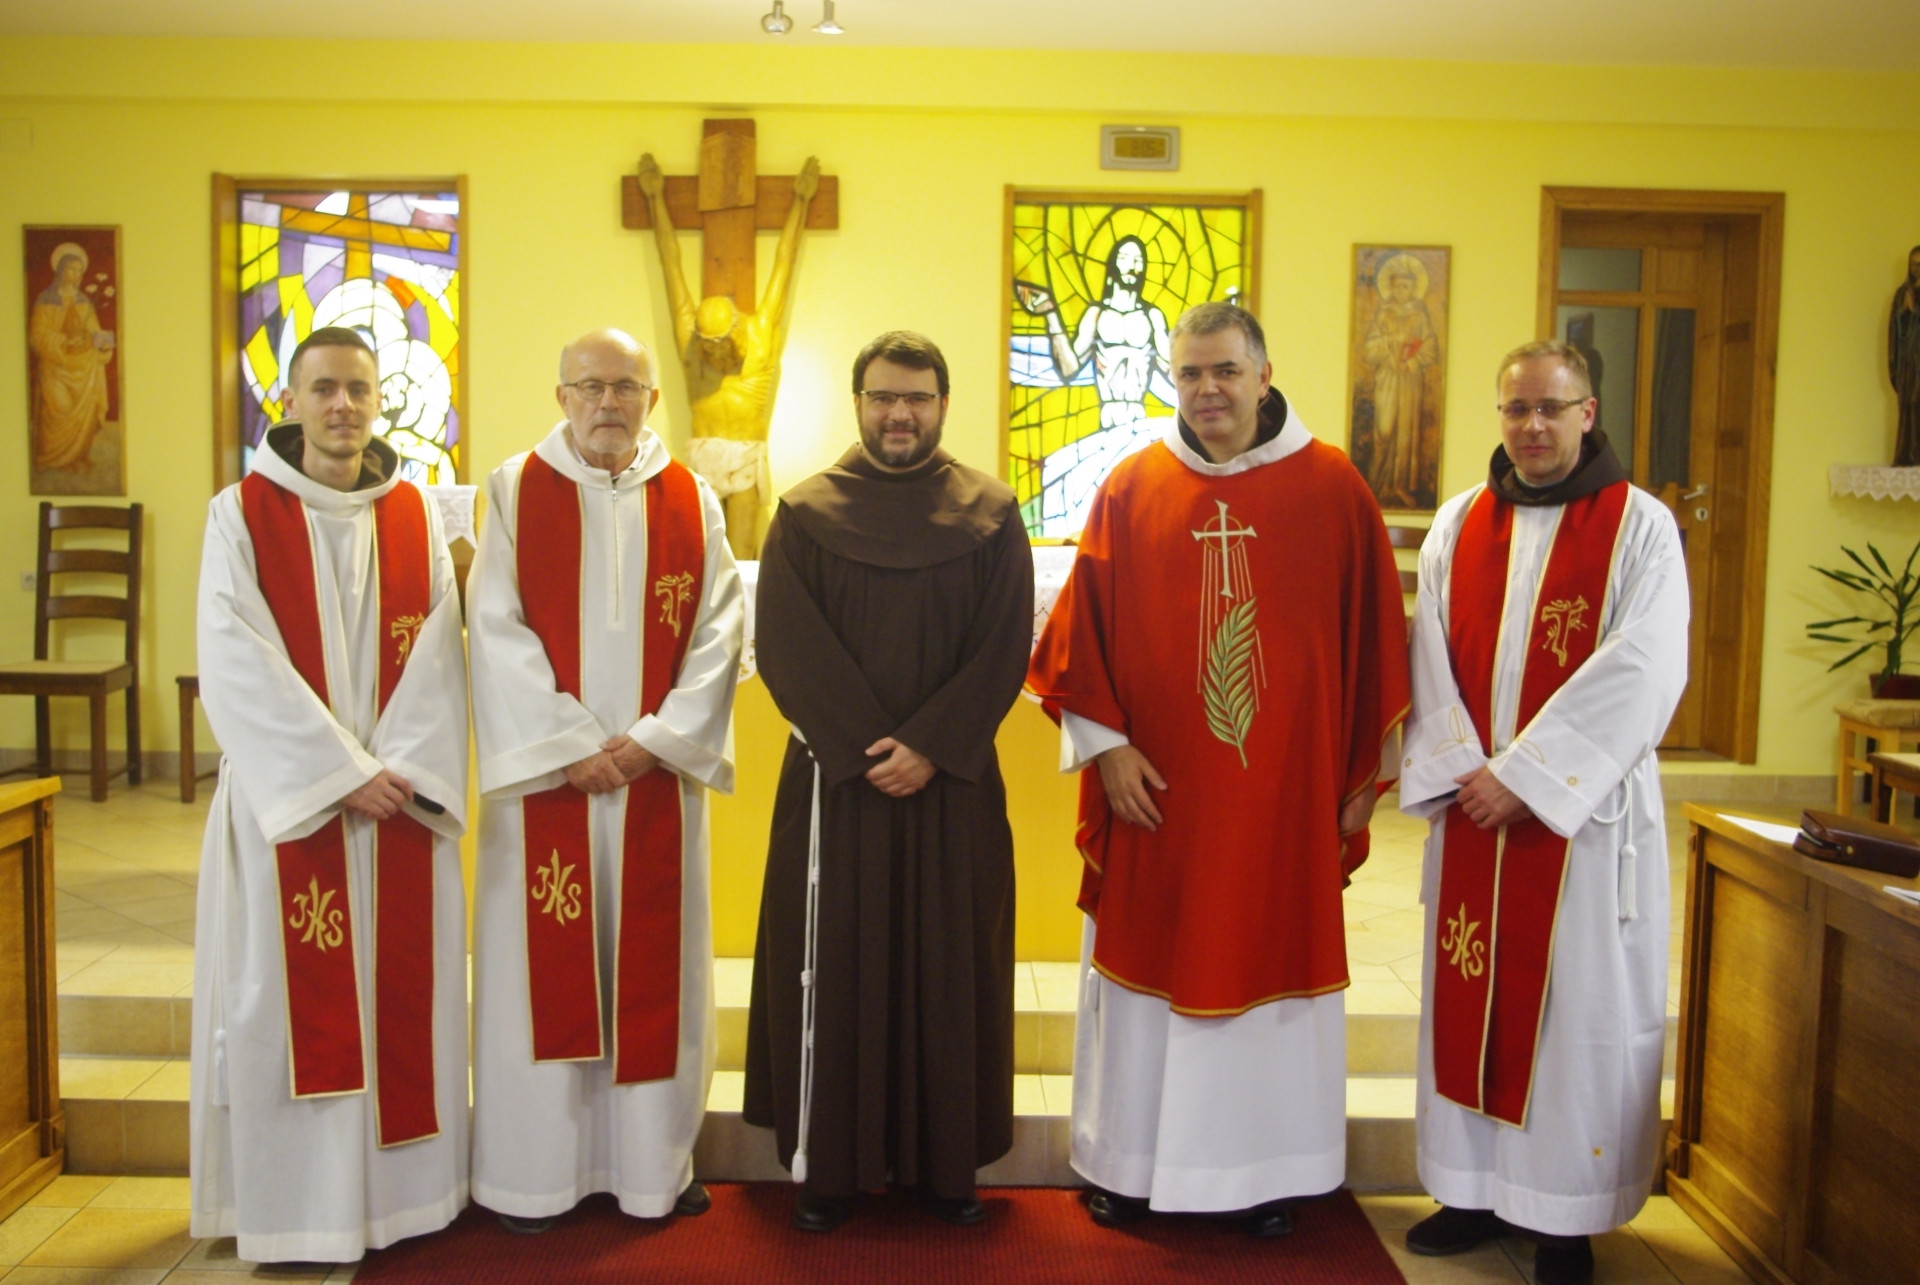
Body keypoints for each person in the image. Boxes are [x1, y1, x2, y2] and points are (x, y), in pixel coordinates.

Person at [1027, 302, 1410, 1237]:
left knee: (1267, 963)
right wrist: (1107, 747)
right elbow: (1080, 637)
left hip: (1282, 802)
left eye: (1226, 371)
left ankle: (1265, 1174)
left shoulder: (1333, 488)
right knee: (1143, 974)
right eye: (1191, 373)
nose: (1207, 390)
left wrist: (1362, 777)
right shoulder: (1132, 486)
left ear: (1264, 375)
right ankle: (1127, 1165)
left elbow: (1376, 646)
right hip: (1154, 797)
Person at [1399, 341, 1687, 1285]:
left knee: (1572, 1015)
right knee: (1468, 990)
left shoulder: (1640, 526)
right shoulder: (1458, 524)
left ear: (1587, 412)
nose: (1531, 426)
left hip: (1579, 824)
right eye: (1516, 408)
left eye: (1550, 409)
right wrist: (1464, 770)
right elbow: (1430, 657)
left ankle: (1563, 1215)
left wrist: (1525, 777)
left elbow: (1644, 665)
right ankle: (1470, 1192)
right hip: (1475, 818)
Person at [743, 330, 1034, 1232]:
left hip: (952, 787)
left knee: (948, 968)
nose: (899, 413)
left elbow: (1004, 643)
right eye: (882, 397)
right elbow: (786, 644)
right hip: (840, 790)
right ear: (859, 404)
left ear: (943, 404)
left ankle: (945, 1170)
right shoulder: (805, 512)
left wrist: (931, 745)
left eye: (915, 397)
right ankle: (830, 1168)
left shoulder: (991, 513)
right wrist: (868, 749)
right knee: (836, 966)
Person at [190, 326, 470, 1263]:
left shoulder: (415, 514)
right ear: (291, 401)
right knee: (283, 1010)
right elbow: (233, 653)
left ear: (380, 400)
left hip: (397, 809)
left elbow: (440, 656)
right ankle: (297, 1213)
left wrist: (397, 773)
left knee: (398, 1008)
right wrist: (345, 773)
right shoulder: (240, 513)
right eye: (324, 389)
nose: (343, 405)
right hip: (295, 811)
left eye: (358, 388)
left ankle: (403, 1204)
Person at [466, 328, 744, 1231]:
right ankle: (533, 1175)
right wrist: (568, 743)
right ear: (561, 396)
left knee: (655, 977)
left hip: (654, 781)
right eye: (590, 386)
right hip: (552, 787)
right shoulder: (514, 489)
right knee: (540, 979)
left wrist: (654, 742)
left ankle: (652, 1166)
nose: (608, 403)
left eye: (627, 386)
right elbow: (493, 626)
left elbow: (719, 633)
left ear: (653, 399)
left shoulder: (692, 499)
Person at [637, 152, 820, 559]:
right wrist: (655, 199)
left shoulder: (760, 336)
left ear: (737, 330)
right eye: (709, 346)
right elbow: (670, 263)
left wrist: (801, 201)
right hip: (702, 454)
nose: (715, 354)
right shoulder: (692, 343)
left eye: (722, 344)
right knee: (697, 556)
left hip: (745, 455)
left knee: (741, 556)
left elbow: (784, 263)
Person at [1016, 235, 1175, 535]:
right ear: (1113, 264)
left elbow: (1173, 371)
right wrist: (1051, 315)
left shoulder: (1153, 317)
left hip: (1139, 425)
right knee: (1074, 490)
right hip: (1106, 424)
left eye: (1139, 259)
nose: (1133, 265)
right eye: (1126, 258)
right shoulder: (1096, 315)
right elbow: (1069, 367)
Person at [1362, 254, 1440, 508]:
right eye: (1397, 286)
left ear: (1413, 289)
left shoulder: (1419, 314)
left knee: (1406, 432)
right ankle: (1378, 486)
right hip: (1387, 378)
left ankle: (1400, 487)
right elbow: (1369, 349)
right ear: (1391, 288)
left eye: (1406, 287)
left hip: (1409, 379)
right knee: (1384, 429)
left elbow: (1430, 347)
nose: (1401, 291)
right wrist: (1392, 342)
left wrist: (1412, 361)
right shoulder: (1383, 314)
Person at [29, 243, 114, 473]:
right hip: (55, 367)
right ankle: (52, 459)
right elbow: (37, 337)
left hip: (82, 367)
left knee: (86, 409)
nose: (76, 275)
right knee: (61, 407)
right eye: (71, 270)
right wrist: (65, 342)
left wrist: (104, 346)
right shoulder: (46, 299)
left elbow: (96, 333)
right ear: (61, 270)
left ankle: (77, 458)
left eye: (79, 271)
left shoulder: (85, 302)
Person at [1889, 245, 1920, 466]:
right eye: (1914, 265)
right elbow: (1895, 329)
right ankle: (1908, 454)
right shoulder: (1902, 294)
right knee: (1910, 403)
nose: (1918, 269)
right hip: (1909, 361)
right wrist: (1905, 312)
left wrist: (1915, 311)